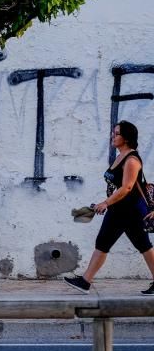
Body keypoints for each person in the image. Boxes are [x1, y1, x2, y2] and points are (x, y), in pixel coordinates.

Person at [64, 121, 154, 295]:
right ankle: (85, 281)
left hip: (128, 211)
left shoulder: (132, 160)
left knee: (111, 243)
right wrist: (106, 203)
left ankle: (85, 281)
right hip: (120, 210)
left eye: (117, 134)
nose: (113, 136)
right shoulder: (121, 156)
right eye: (114, 133)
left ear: (126, 138)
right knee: (138, 245)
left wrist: (106, 203)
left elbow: (127, 187)